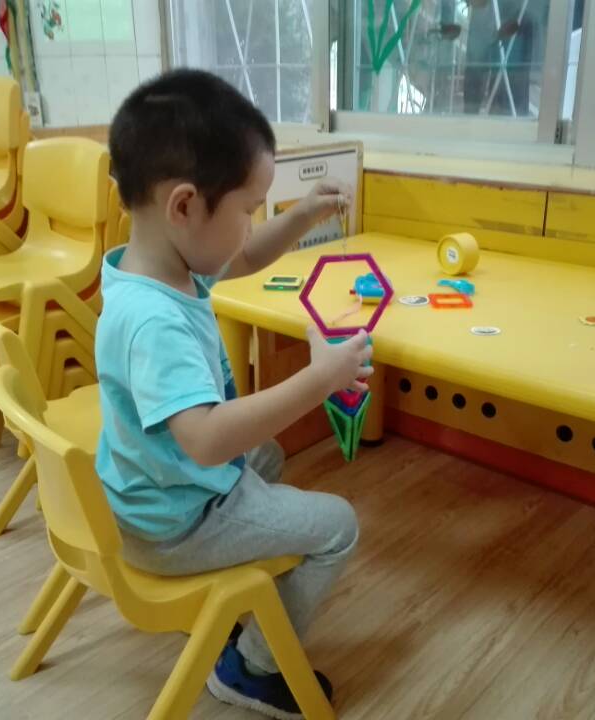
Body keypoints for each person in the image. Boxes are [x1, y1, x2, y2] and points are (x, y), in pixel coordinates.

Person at [97, 68, 371, 719]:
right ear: (185, 206)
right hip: (174, 524)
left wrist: (300, 215)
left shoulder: (156, 267)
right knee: (338, 525)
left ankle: (232, 594)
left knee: (267, 455)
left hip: (150, 491)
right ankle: (251, 666)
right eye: (248, 210)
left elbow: (241, 259)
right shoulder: (156, 322)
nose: (251, 227)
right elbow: (206, 439)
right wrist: (320, 379)